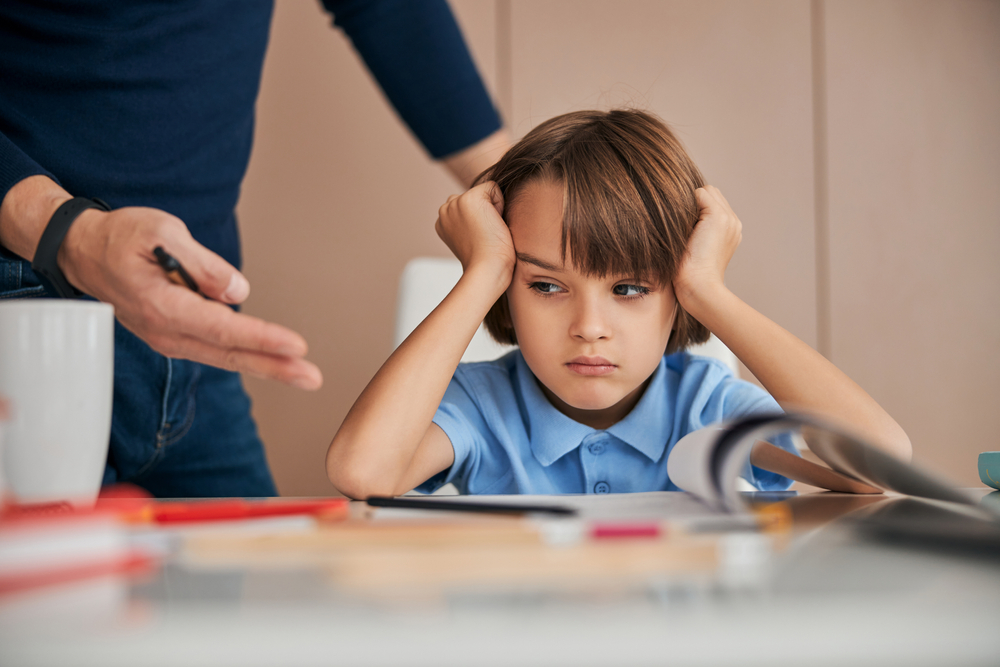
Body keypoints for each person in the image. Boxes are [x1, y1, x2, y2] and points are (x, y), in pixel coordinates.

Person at [0, 0, 509, 497]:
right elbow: (363, 470)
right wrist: (67, 233)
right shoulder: (482, 408)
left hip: (197, 338)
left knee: (261, 580)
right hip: (27, 319)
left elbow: (388, 9)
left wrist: (528, 194)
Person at [326, 109, 911, 498]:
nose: (589, 328)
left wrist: (709, 293)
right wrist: (482, 272)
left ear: (675, 292)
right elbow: (362, 472)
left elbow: (881, 463)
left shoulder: (706, 406)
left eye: (629, 289)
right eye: (546, 286)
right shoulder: (482, 409)